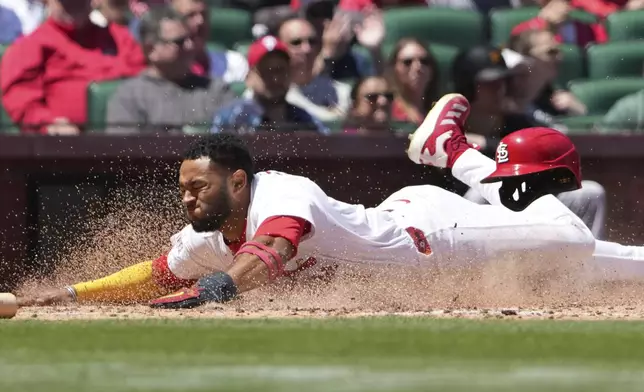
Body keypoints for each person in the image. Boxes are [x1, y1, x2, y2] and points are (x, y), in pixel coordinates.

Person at [17, 94, 644, 309]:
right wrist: (65, 295)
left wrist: (217, 291)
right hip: (419, 234)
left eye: (198, 185)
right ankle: (447, 150)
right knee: (578, 264)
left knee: (572, 240)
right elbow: (152, 273)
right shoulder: (207, 235)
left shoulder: (279, 194)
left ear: (238, 182)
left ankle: (451, 149)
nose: (187, 197)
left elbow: (275, 246)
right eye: (182, 186)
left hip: (434, 235)